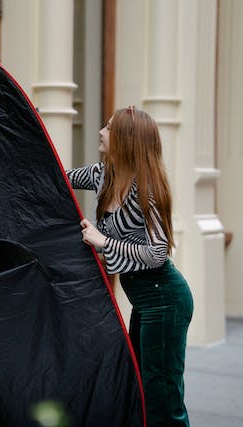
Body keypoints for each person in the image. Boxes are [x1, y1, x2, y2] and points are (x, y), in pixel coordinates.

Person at [66, 105, 194, 426]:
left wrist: (103, 242)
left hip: (165, 299)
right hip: (143, 298)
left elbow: (157, 252)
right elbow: (60, 178)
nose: (100, 132)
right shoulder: (102, 176)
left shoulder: (147, 191)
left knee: (162, 393)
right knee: (139, 384)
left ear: (125, 140)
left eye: (108, 128)